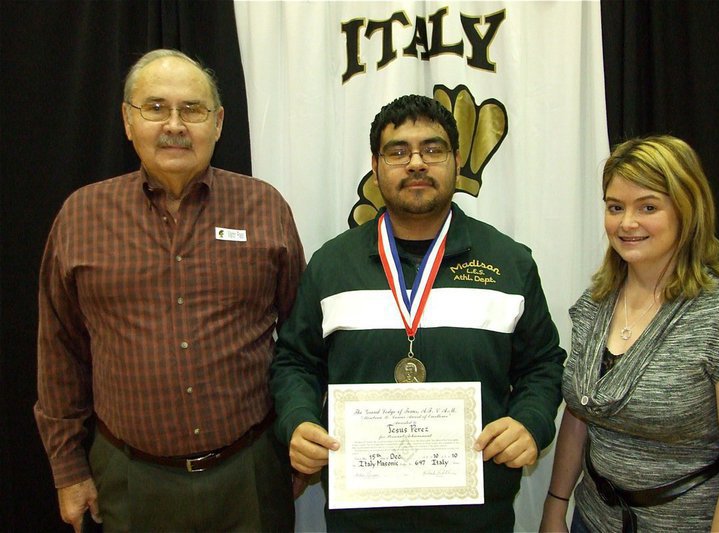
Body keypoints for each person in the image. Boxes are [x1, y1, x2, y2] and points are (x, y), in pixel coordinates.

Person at [34, 49, 305, 532]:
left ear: (219, 123)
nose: (174, 124)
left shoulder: (265, 207)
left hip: (250, 475)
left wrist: (296, 439)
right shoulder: (81, 215)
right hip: (130, 480)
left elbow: (301, 343)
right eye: (155, 108)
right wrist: (68, 469)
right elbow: (60, 351)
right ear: (127, 120)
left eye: (192, 109)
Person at [270, 94, 566, 531]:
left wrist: (530, 422)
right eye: (397, 151)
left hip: (477, 514)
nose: (416, 163)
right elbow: (295, 361)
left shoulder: (509, 263)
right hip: (362, 516)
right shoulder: (331, 265)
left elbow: (543, 364)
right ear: (376, 165)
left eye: (433, 149)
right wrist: (298, 421)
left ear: (457, 160)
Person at [539, 135, 719, 532]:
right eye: (615, 207)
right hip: (593, 519)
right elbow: (581, 411)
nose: (626, 223)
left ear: (686, 212)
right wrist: (555, 507)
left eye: (648, 207)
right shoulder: (595, 304)